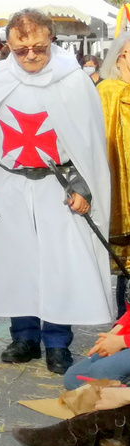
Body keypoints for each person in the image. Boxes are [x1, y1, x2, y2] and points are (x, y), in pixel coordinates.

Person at [0, 9, 114, 376]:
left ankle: (58, 343)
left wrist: (82, 187)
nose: (30, 55)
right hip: (8, 185)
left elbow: (87, 143)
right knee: (15, 262)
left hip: (56, 187)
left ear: (51, 41)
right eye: (21, 49)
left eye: (38, 47)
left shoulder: (73, 81)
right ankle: (23, 337)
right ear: (8, 47)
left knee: (58, 264)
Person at [97, 35, 130, 315]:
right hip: (123, 186)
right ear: (121, 56)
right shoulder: (108, 90)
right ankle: (124, 326)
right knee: (126, 266)